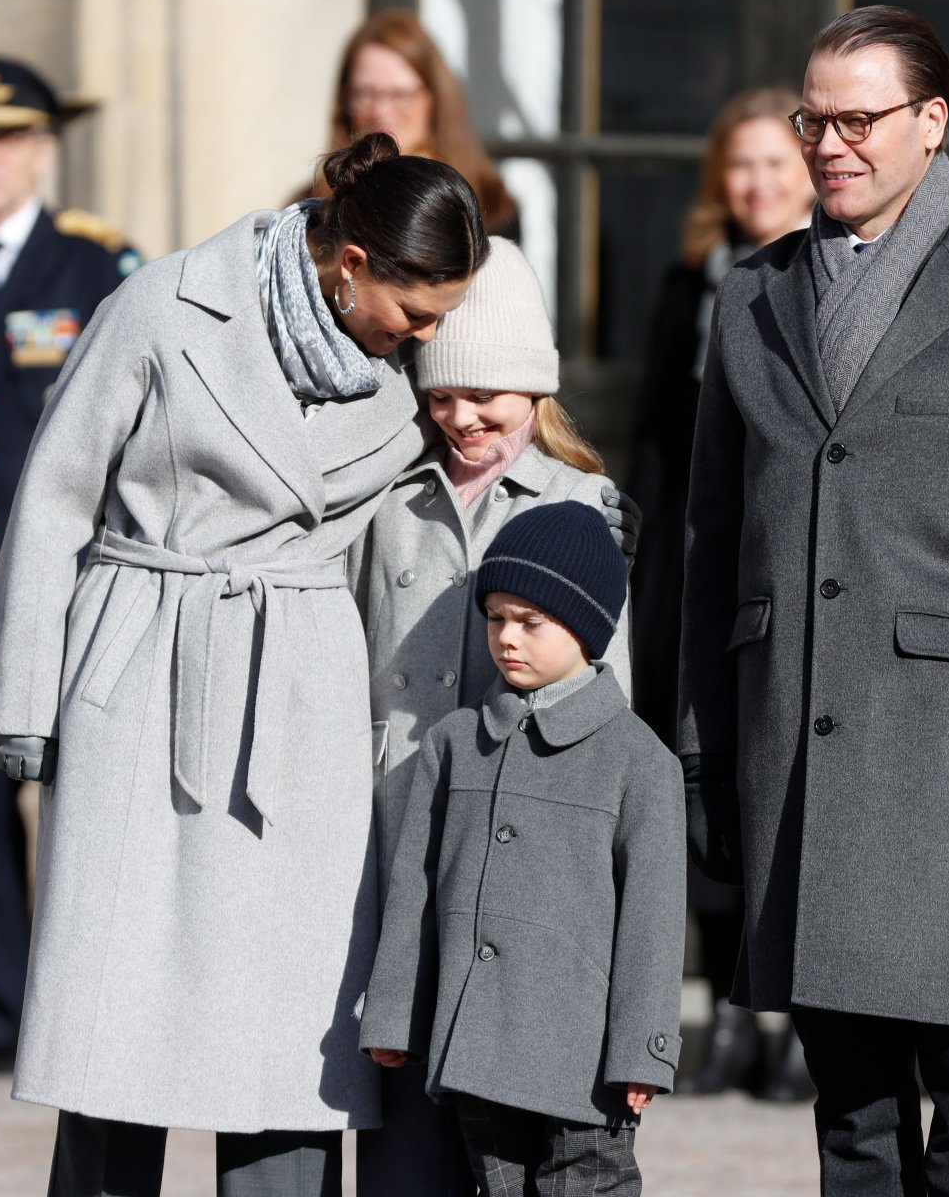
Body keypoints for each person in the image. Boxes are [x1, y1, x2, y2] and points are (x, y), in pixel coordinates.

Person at [0, 131, 488, 1197]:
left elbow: (490, 434)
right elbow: (57, 488)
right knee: (118, 1025)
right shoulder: (166, 304)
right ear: (352, 265)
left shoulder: (406, 364)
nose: (431, 338)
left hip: (297, 682)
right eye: (418, 313)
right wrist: (24, 693)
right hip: (143, 665)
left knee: (285, 1035)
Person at [679, 4, 949, 1196]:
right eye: (812, 118)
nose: (830, 142)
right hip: (801, 762)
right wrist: (706, 752)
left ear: (932, 125)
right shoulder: (752, 299)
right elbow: (714, 541)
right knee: (854, 1117)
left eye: (858, 118)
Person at [349, 235, 634, 1195]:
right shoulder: (386, 496)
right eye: (439, 395)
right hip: (392, 826)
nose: (462, 418)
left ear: (536, 388)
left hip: (521, 853)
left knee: (515, 1138)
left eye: (487, 395)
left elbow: (606, 703)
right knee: (397, 1101)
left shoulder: (580, 501)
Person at [359, 501, 685, 1197]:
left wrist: (644, 1050)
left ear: (589, 626)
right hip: (476, 1047)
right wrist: (393, 1012)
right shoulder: (454, 744)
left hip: (584, 1065)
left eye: (531, 622)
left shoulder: (640, 762)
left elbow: (653, 928)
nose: (508, 637)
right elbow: (415, 889)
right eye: (497, 617)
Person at [0, 55, 139, 1079]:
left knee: (82, 804)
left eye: (5, 137)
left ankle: (83, 999)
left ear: (43, 148)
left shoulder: (93, 268)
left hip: (63, 591)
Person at [627, 86, 815, 1100]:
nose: (757, 184)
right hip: (694, 562)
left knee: (784, 779)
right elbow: (658, 438)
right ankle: (726, 1011)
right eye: (740, 166)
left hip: (786, 561)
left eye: (774, 165)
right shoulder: (685, 280)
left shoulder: (831, 278)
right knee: (695, 781)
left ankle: (790, 1015)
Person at [296, 7, 519, 239]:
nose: (380, 111)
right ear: (344, 101)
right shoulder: (307, 213)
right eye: (365, 94)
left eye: (400, 94)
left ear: (435, 99)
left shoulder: (492, 207)